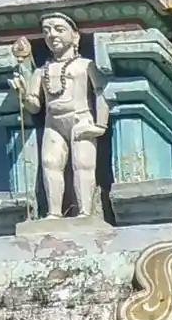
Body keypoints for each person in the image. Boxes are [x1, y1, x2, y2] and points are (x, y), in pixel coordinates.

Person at [12, 14, 109, 221]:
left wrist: (100, 125)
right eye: (46, 31)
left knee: (83, 165)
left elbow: (101, 92)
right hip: (52, 123)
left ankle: (85, 212)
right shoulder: (41, 72)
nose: (52, 35)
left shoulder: (85, 65)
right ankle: (54, 212)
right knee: (50, 163)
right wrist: (22, 94)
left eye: (58, 29)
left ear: (75, 37)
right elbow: (35, 106)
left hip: (80, 119)